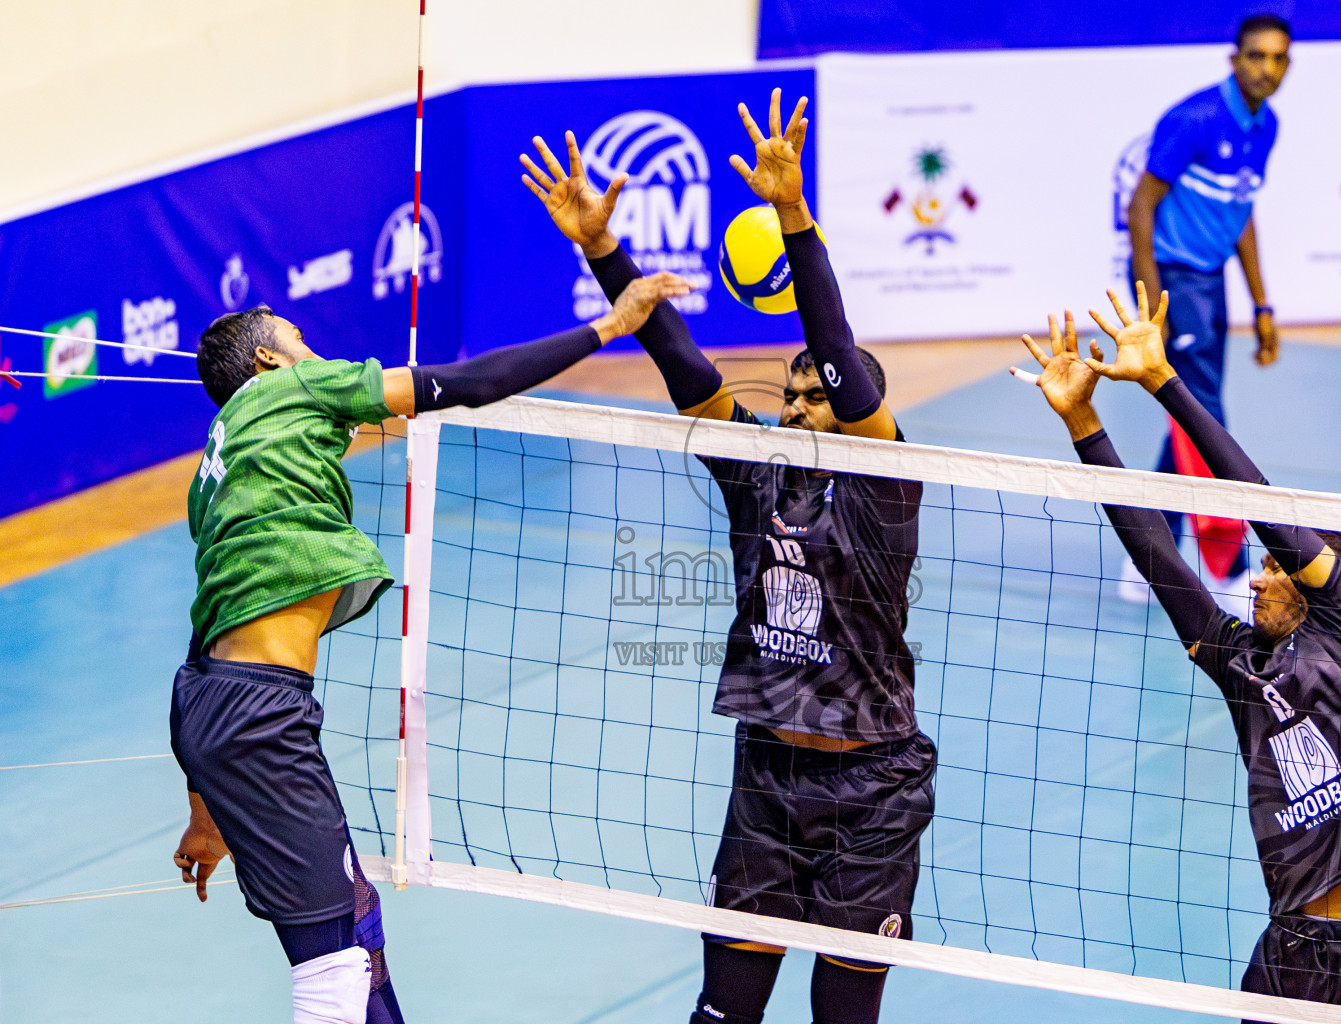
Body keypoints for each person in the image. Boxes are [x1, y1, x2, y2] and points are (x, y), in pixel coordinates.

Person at [171, 272, 691, 1024]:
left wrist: (203, 805)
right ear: (269, 364)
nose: (315, 350)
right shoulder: (298, 391)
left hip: (216, 708)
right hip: (260, 721)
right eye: (300, 339)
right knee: (334, 967)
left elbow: (198, 643)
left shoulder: (214, 473)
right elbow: (472, 381)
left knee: (356, 921)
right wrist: (610, 327)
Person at [520, 88, 933, 1024]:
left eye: (817, 400)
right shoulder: (759, 478)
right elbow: (689, 373)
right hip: (769, 779)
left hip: (874, 789)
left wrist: (794, 217)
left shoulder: (886, 489)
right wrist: (600, 248)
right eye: (788, 399)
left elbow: (836, 354)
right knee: (723, 1015)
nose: (797, 410)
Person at [1014, 282, 1341, 1019]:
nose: (1258, 575)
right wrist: (1085, 424)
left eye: (1276, 567)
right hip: (1288, 950)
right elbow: (1160, 559)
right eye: (1263, 564)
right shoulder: (1242, 666)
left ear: (1320, 579)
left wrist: (1164, 385)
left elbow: (1259, 503)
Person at [1124, 13, 1292, 602]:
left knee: (1190, 419)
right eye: (1255, 56)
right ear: (1234, 58)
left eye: (1277, 58)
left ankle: (1152, 556)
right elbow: (1140, 207)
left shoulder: (1264, 125)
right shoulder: (1193, 119)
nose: (1265, 68)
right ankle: (1226, 571)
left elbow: (1240, 216)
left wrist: (1262, 305)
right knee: (1206, 421)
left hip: (1209, 278)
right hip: (1171, 280)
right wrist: (1154, 305)